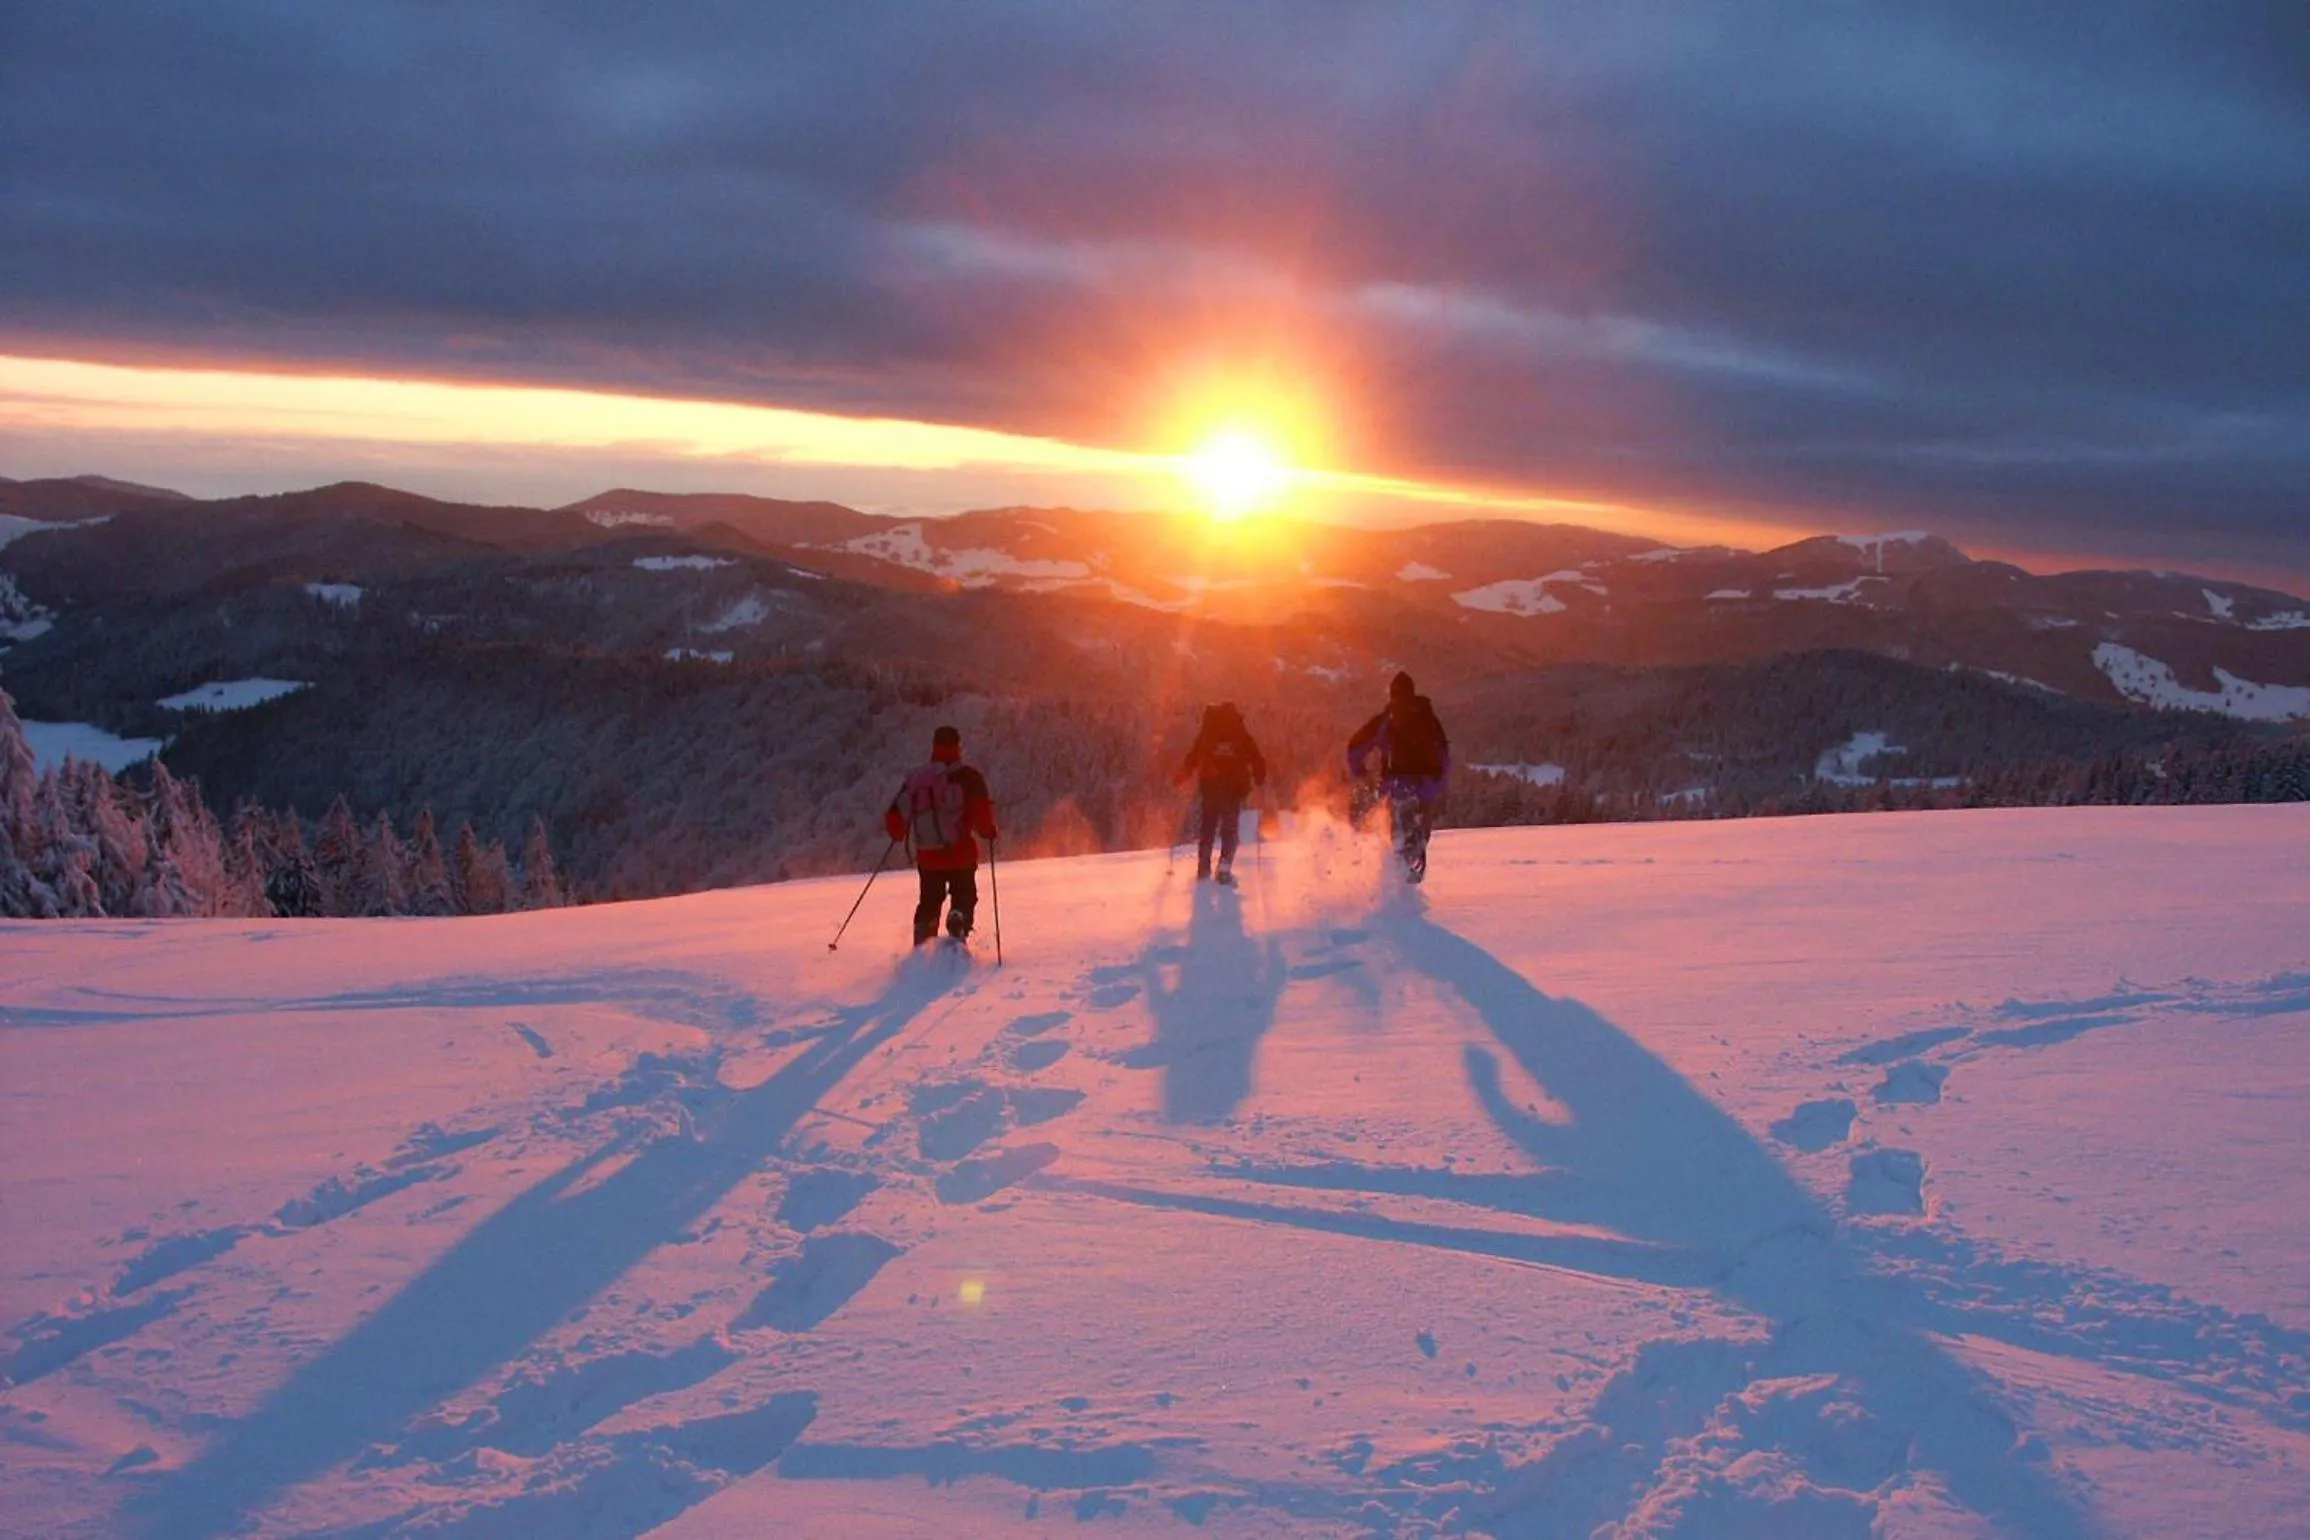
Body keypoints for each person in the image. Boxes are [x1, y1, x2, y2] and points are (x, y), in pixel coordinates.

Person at [884, 724, 999, 945]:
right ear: (958, 746)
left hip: (928, 856)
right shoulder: (969, 777)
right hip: (961, 853)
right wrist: (988, 832)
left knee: (930, 899)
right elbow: (982, 814)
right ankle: (959, 920)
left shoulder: (917, 779)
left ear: (934, 746)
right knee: (964, 894)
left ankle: (924, 935)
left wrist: (898, 833)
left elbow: (894, 816)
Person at [1346, 671, 1451, 883]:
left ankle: (1397, 884)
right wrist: (1434, 787)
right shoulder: (1428, 719)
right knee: (1417, 838)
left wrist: (1361, 772)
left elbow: (1355, 747)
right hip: (1424, 790)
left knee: (1398, 838)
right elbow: (1444, 758)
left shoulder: (1386, 720)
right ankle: (1409, 879)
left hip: (1397, 788)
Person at [1174, 701, 1267, 885]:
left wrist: (1182, 776)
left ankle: (1203, 867)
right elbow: (1256, 758)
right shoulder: (1240, 733)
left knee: (1208, 826)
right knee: (1229, 828)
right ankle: (1224, 868)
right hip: (1233, 788)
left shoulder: (1207, 734)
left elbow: (1193, 756)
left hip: (1210, 786)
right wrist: (1259, 777)